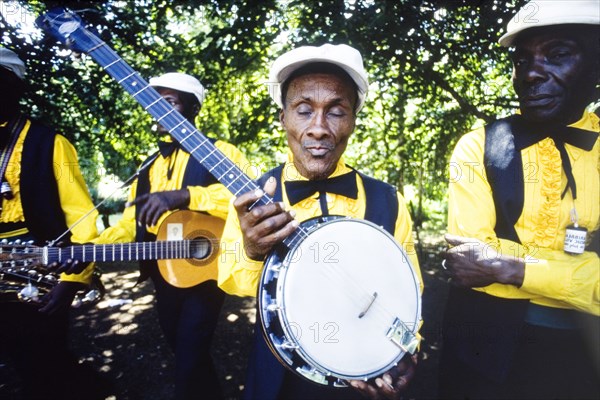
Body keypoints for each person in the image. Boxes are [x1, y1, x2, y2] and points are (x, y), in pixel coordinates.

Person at [218, 43, 423, 400]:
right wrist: (253, 251)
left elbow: (410, 292)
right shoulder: (251, 198)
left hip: (363, 377)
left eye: (336, 111)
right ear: (283, 118)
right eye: (303, 110)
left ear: (353, 121)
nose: (318, 128)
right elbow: (230, 281)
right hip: (278, 373)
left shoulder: (388, 202)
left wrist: (407, 348)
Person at [438, 1, 600, 399]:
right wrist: (582, 276)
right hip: (481, 351)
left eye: (557, 55)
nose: (530, 73)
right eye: (522, 59)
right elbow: (470, 258)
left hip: (585, 357)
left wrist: (510, 268)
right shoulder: (477, 146)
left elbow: (490, 263)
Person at [94, 72, 254, 400]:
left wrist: (186, 196)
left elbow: (248, 199)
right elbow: (131, 224)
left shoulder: (221, 151)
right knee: (185, 355)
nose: (158, 110)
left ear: (192, 109)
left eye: (169, 102)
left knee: (189, 357)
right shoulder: (149, 165)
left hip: (206, 271)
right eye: (154, 103)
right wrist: (87, 249)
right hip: (163, 273)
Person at [0, 47, 109, 399]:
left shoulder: (53, 144)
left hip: (39, 281)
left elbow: (83, 218)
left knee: (44, 370)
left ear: (14, 87)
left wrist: (72, 279)